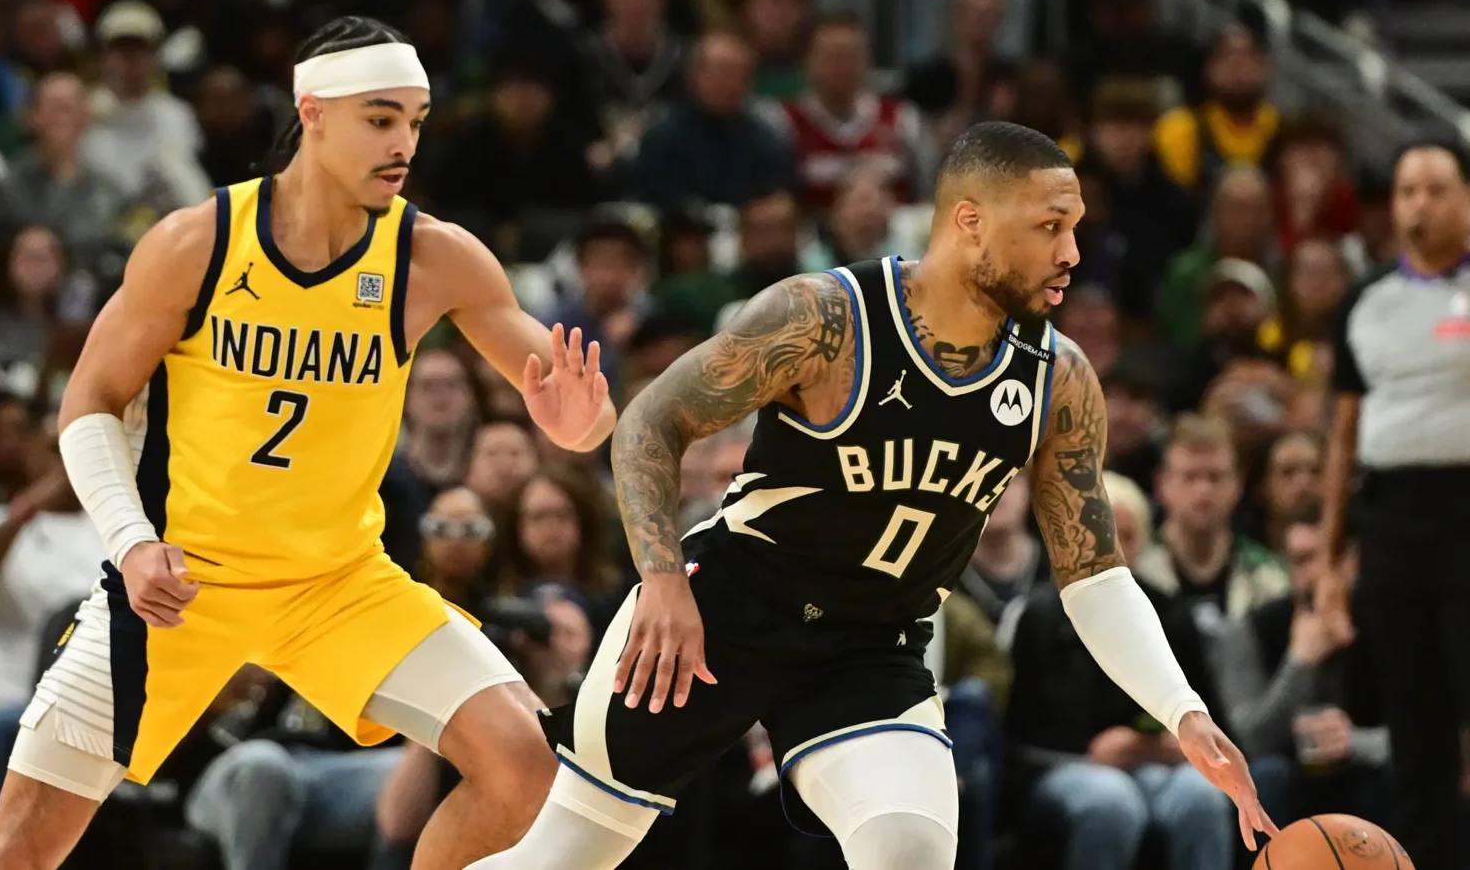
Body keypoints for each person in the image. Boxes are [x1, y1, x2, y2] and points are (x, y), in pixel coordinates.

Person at [469, 121, 1275, 870]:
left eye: (1076, 228)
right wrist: (663, 579)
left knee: (910, 850)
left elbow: (1093, 574)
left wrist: (1183, 710)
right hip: (725, 613)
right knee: (564, 858)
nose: (1071, 253)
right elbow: (651, 421)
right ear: (971, 222)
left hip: (871, 646)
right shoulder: (826, 318)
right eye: (1050, 227)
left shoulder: (1058, 378)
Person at [0, 16, 617, 870]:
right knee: (16, 852)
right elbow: (88, 403)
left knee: (527, 765)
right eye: (380, 118)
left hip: (339, 582)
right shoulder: (198, 242)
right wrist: (130, 542)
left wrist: (580, 425)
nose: (404, 143)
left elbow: (578, 408)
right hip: (181, 581)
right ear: (313, 111)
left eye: (416, 121)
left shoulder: (434, 257)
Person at [1319, 137, 1470, 869]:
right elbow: (1343, 436)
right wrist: (1330, 558)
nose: (1420, 205)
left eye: (1437, 190)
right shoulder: (1365, 300)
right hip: (1393, 536)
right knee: (1415, 739)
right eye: (1408, 191)